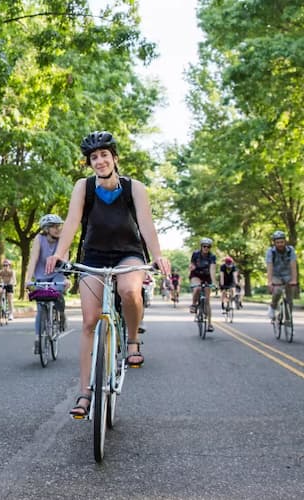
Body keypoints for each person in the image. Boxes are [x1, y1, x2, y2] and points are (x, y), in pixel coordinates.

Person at [44, 131, 170, 418]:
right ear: (89, 163)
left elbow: (147, 226)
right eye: (93, 157)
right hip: (94, 256)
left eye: (104, 155)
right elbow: (73, 222)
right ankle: (85, 392)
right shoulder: (83, 187)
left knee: (128, 290)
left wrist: (159, 255)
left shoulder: (133, 188)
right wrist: (60, 253)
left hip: (129, 253)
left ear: (115, 158)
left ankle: (133, 339)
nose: (99, 161)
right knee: (89, 321)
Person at [24, 214, 67, 352]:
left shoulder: (63, 240)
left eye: (58, 226)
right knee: (41, 307)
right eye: (54, 226)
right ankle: (38, 339)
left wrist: (66, 278)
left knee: (59, 290)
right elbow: (33, 260)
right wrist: (28, 279)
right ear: (46, 229)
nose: (57, 229)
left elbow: (64, 260)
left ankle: (61, 313)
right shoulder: (39, 239)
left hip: (57, 274)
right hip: (41, 276)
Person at [265, 230, 298, 320]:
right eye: (277, 242)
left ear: (285, 241)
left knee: (289, 301)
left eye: (282, 242)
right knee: (278, 291)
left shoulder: (290, 250)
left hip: (288, 275)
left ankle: (288, 321)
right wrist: (270, 282)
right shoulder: (270, 251)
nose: (280, 244)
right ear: (274, 243)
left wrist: (294, 280)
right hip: (276, 275)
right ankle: (272, 306)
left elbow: (293, 264)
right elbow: (269, 266)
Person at [189, 237, 217, 331]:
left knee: (207, 301)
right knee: (197, 288)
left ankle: (209, 324)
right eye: (204, 246)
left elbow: (212, 269)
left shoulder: (212, 256)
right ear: (201, 246)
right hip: (196, 275)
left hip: (207, 276)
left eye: (208, 247)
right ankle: (193, 305)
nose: (206, 248)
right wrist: (191, 267)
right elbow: (191, 264)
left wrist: (214, 282)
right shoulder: (195, 254)